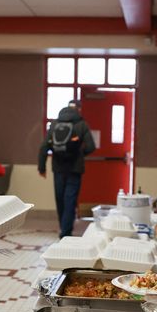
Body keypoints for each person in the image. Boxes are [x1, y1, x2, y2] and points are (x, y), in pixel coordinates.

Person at [38, 99, 95, 238]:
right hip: (75, 168)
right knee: (70, 199)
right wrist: (80, 154)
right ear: (79, 109)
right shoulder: (82, 124)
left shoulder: (55, 123)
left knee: (60, 199)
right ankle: (66, 231)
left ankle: (63, 227)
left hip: (58, 168)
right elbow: (90, 147)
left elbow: (44, 146)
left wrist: (42, 167)